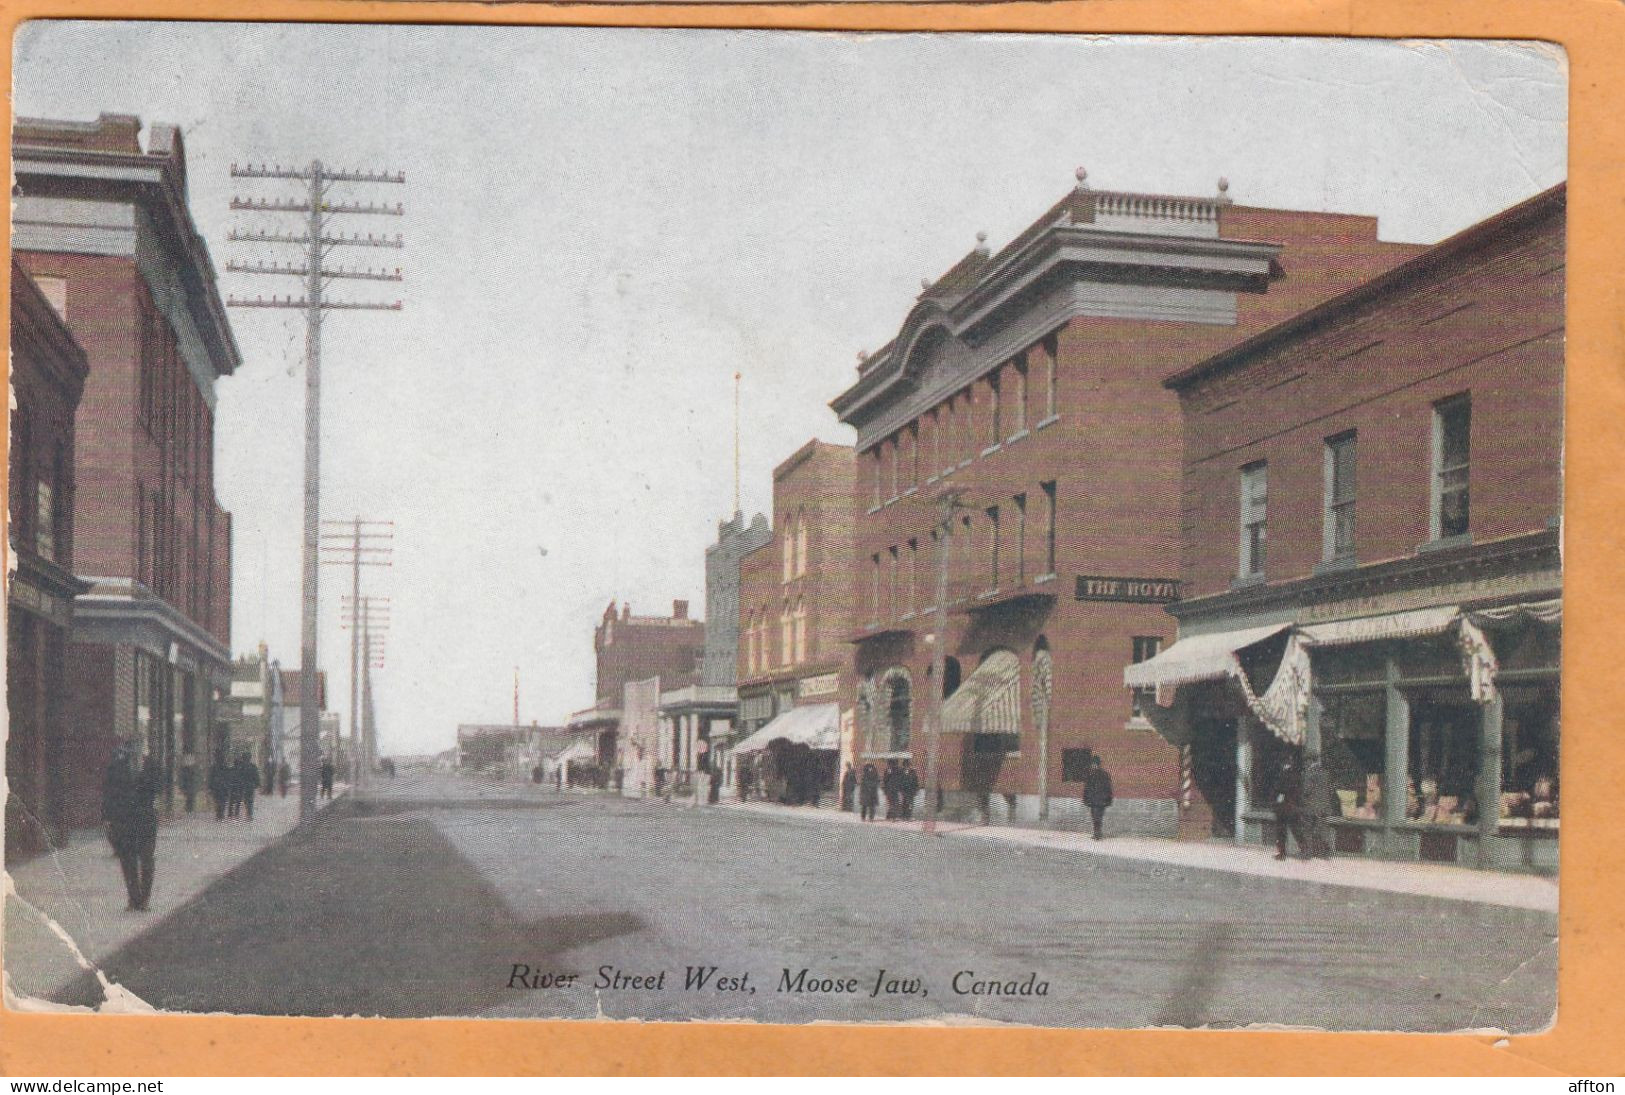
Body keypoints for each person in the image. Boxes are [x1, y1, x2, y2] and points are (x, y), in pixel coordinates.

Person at [102, 742, 160, 911]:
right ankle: (133, 898)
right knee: (128, 860)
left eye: (140, 749)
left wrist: (145, 775)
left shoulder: (152, 766)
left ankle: (145, 899)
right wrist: (107, 816)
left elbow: (157, 788)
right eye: (133, 750)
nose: (136, 753)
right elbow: (109, 792)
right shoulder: (117, 766)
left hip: (146, 819)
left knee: (147, 859)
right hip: (124, 820)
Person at [1273, 750, 1309, 860]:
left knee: (1281, 831)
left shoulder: (1283, 775)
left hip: (1284, 807)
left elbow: (1279, 789)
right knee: (1296, 830)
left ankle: (1282, 853)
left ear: (1283, 763)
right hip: (1294, 806)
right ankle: (1305, 850)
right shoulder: (1297, 775)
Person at [1301, 755, 1339, 859]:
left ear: (1309, 761)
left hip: (1311, 807)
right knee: (1323, 830)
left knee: (1307, 829)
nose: (1305, 764)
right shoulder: (1325, 773)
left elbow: (1306, 790)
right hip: (1324, 807)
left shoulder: (1310, 773)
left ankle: (1308, 853)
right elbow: (1331, 790)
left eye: (1306, 761)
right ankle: (1325, 853)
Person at [1083, 755, 1114, 840]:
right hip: (1096, 800)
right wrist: (1086, 799)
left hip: (1099, 800)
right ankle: (1097, 833)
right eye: (1093, 764)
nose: (1093, 766)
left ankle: (1097, 834)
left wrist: (1108, 799)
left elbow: (1108, 788)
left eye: (1095, 764)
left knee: (1097, 817)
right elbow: (1087, 788)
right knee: (1096, 817)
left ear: (1097, 764)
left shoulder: (1101, 774)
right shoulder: (1092, 774)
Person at [234, 752, 259, 822]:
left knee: (243, 800)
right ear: (250, 758)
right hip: (250, 786)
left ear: (243, 758)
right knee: (250, 801)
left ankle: (243, 814)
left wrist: (238, 784)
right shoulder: (253, 767)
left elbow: (238, 777)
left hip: (243, 786)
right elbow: (256, 777)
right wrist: (256, 784)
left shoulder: (240, 767)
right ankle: (249, 815)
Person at [208, 754, 231, 821]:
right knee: (222, 800)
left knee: (217, 800)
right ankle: (221, 814)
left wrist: (210, 786)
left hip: (217, 786)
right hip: (223, 787)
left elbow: (211, 778)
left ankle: (219, 814)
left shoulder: (214, 767)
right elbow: (228, 778)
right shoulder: (226, 767)